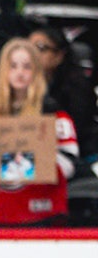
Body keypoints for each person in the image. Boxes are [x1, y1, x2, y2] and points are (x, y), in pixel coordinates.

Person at [0, 36, 79, 226]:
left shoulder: (54, 115)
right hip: (3, 217)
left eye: (27, 67)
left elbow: (68, 165)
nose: (20, 73)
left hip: (44, 217)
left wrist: (3, 166)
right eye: (13, 66)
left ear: (37, 71)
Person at [29, 25, 98, 165]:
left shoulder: (77, 87)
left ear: (59, 56)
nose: (31, 54)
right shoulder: (18, 85)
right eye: (28, 48)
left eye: (40, 48)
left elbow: (79, 128)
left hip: (79, 153)